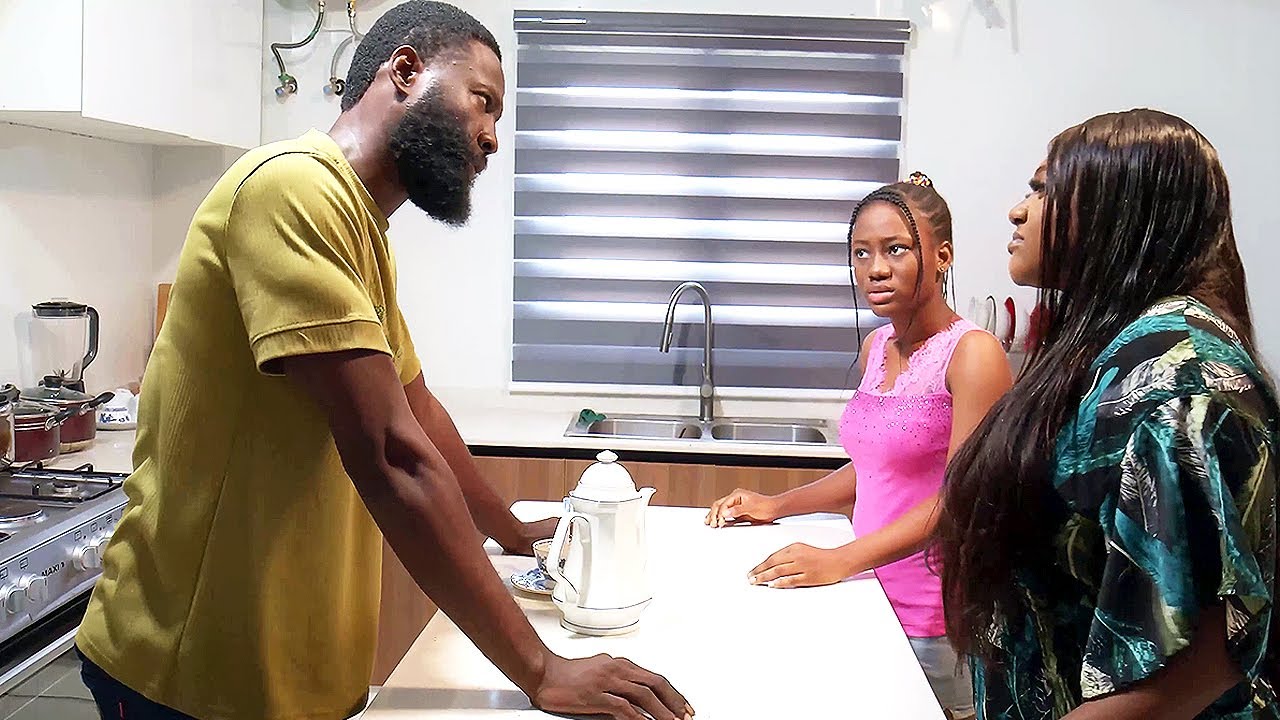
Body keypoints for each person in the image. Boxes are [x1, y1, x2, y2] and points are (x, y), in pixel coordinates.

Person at [73, 3, 693, 720]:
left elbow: (418, 410)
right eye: (483, 101)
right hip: (186, 675)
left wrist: (513, 531)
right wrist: (541, 668)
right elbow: (392, 454)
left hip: (286, 679)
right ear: (405, 70)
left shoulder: (359, 226)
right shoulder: (290, 189)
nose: (492, 138)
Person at [935, 108, 1280, 719]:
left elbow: (1200, 661)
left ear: (1121, 206)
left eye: (1043, 190)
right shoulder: (1106, 346)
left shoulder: (1183, 380)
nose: (1017, 211)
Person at [705, 173, 1012, 719]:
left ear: (942, 257)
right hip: (868, 592)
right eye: (861, 253)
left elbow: (962, 501)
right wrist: (777, 505)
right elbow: (874, 468)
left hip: (932, 618)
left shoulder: (974, 354)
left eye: (896, 249)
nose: (875, 268)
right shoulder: (877, 346)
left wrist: (838, 560)